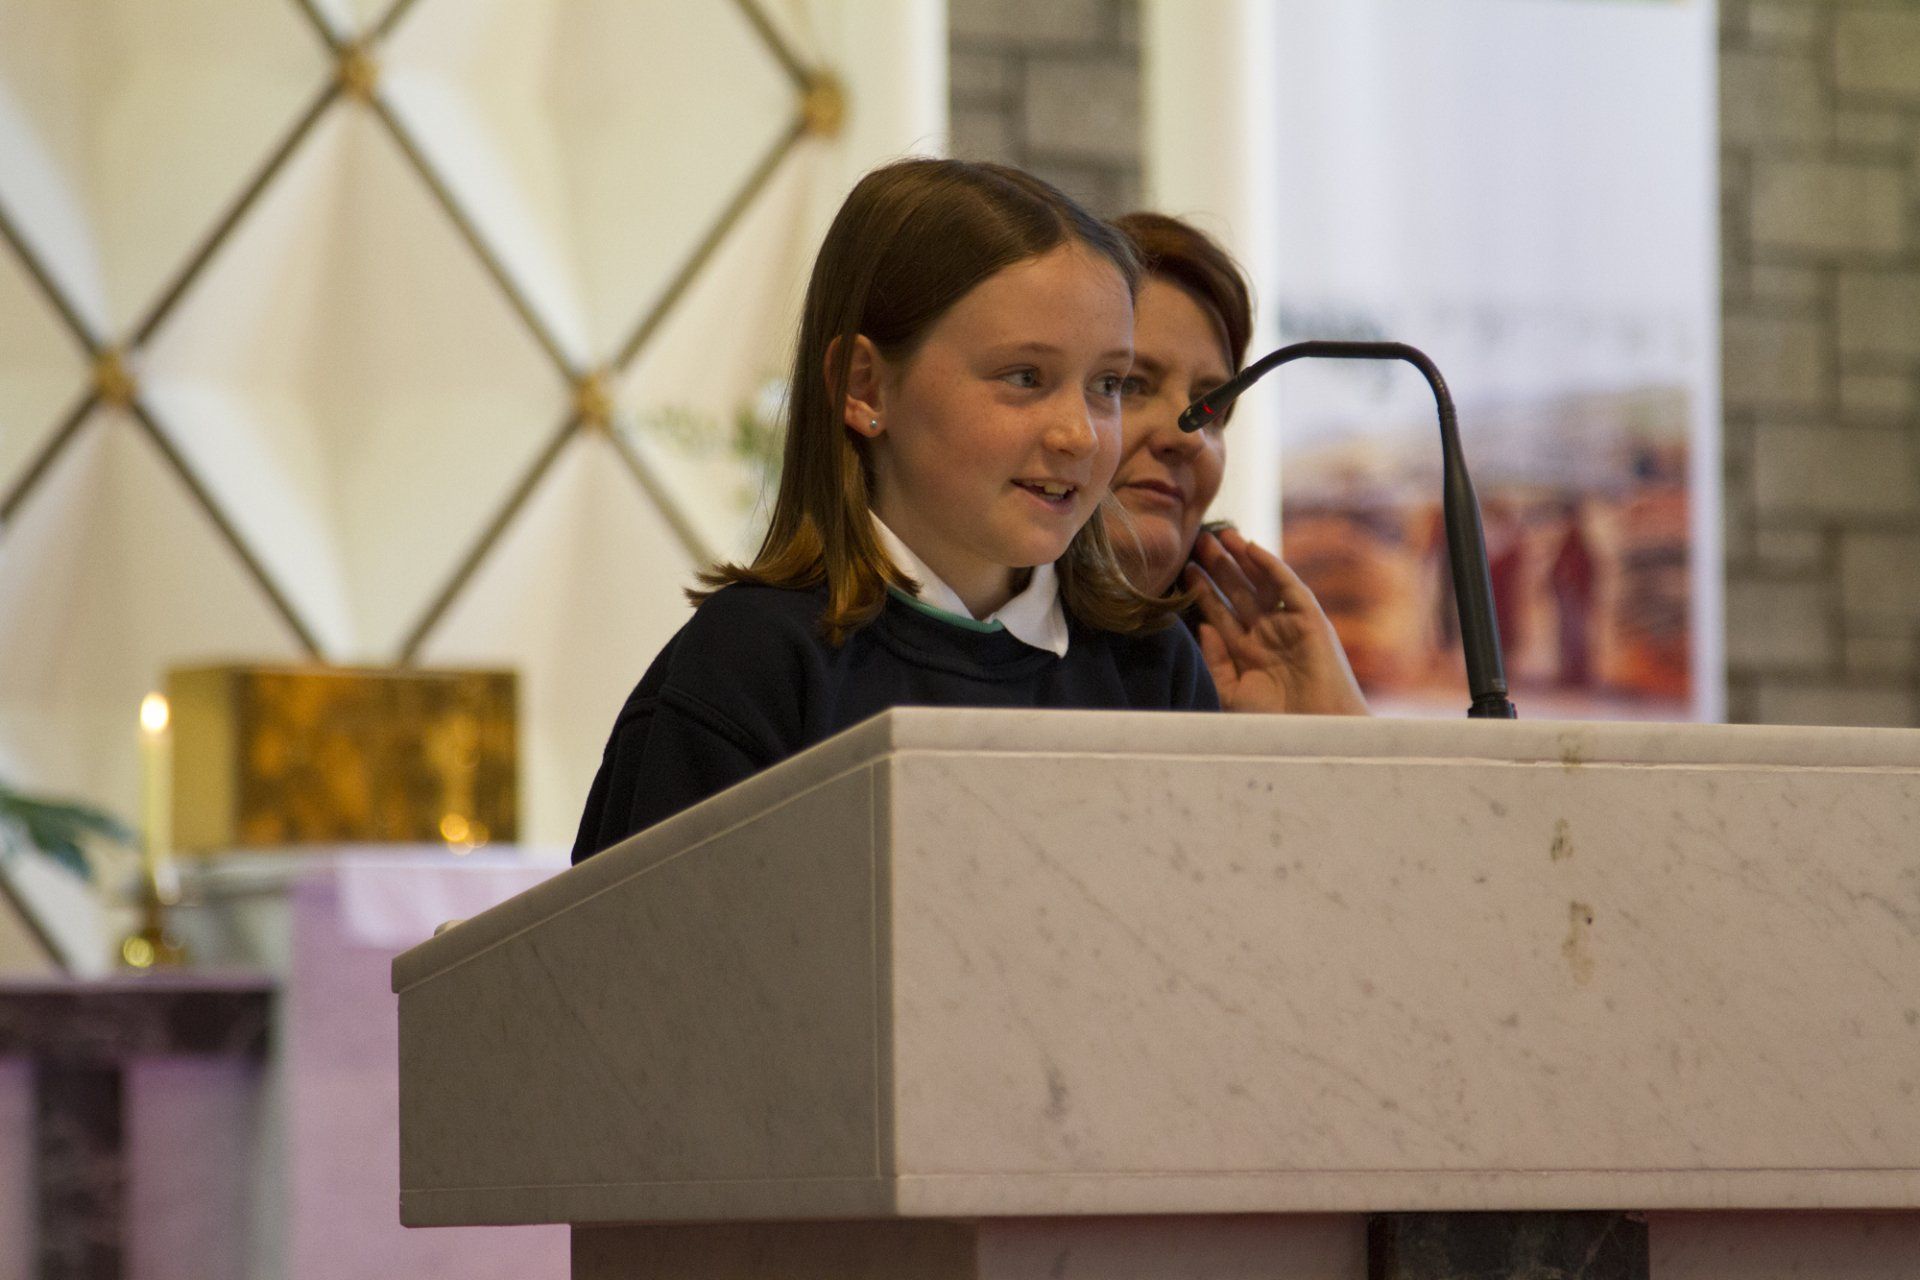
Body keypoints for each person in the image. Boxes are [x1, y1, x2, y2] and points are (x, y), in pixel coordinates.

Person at [571, 161, 1217, 863]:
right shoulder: (755, 665)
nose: (1080, 435)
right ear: (865, 387)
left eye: (1107, 384)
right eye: (1025, 377)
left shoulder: (1152, 671)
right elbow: (643, 962)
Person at [1105, 212, 1368, 716]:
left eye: (1210, 406)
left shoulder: (1241, 669)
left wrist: (1334, 730)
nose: (1188, 439)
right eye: (1132, 385)